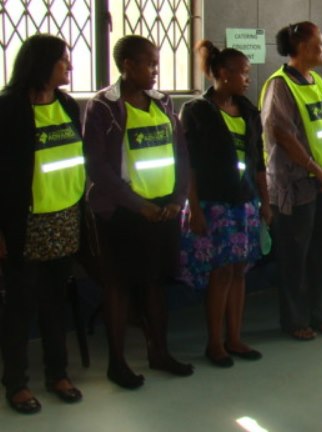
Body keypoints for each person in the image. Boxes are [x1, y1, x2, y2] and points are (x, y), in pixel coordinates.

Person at [83, 35, 193, 389]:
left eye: (157, 63)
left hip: (163, 210)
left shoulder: (163, 103)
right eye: (149, 64)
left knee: (155, 283)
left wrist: (177, 199)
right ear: (127, 65)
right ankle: (117, 363)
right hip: (123, 213)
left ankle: (158, 352)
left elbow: (181, 156)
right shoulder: (103, 107)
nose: (156, 71)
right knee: (119, 286)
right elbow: (98, 168)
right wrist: (138, 206)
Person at [0, 34, 85, 414]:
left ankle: (58, 374)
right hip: (25, 224)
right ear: (42, 64)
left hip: (65, 218)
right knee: (19, 305)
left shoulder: (67, 105)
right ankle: (16, 383)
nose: (68, 66)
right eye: (63, 61)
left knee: (55, 303)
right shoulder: (9, 110)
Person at [179, 40, 271, 367]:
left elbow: (258, 161)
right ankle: (214, 343)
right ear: (221, 73)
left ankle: (235, 338)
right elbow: (188, 164)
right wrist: (195, 208)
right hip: (213, 204)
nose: (247, 78)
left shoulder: (247, 110)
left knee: (239, 271)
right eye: (242, 72)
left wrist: (265, 202)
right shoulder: (197, 111)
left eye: (248, 72)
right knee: (220, 274)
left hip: (244, 203)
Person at [260, 21, 322, 341]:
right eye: (318, 44)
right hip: (297, 186)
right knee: (295, 254)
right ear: (300, 49)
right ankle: (296, 320)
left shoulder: (318, 82)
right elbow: (282, 134)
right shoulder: (280, 85)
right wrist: (317, 170)